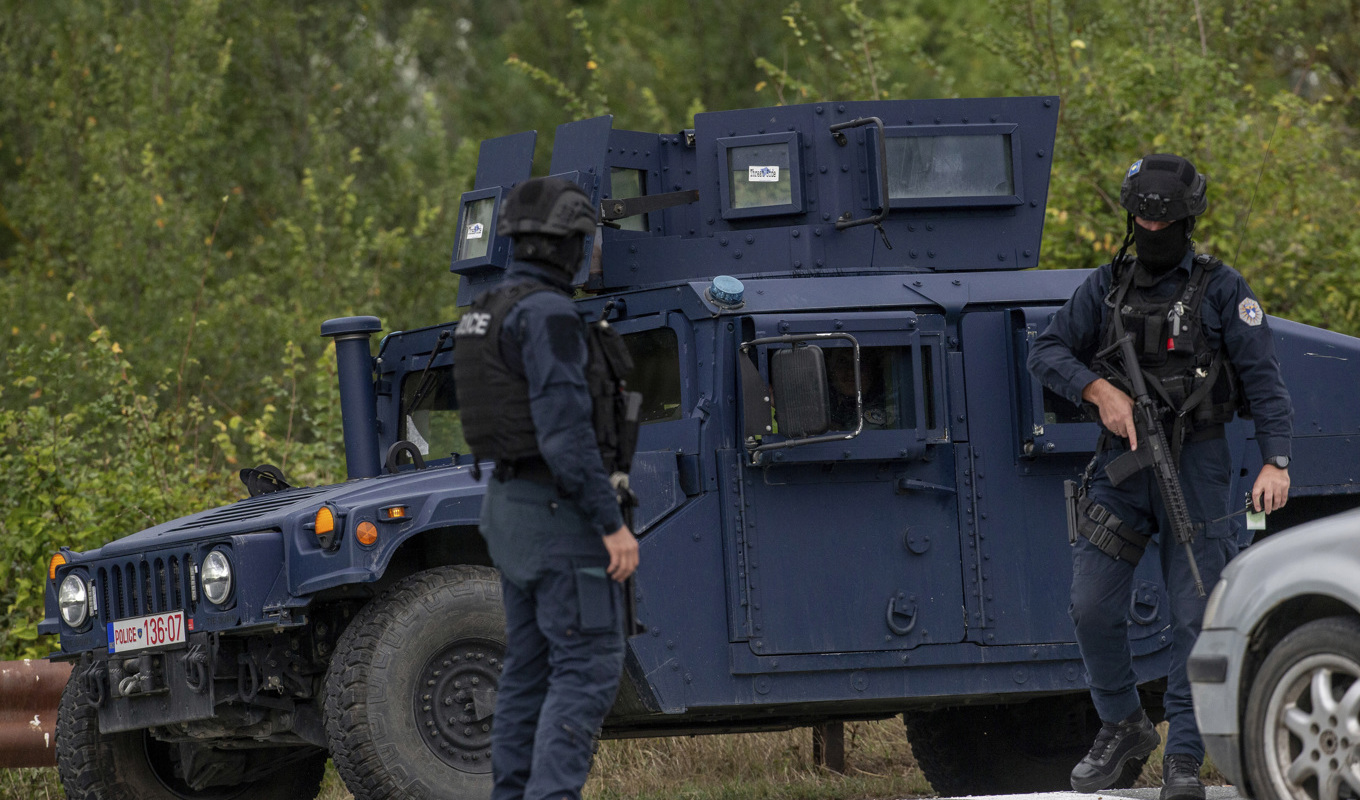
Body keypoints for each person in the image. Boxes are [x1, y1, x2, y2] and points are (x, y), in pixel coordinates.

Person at [1028, 154, 1292, 800]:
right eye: (1140, 216)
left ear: (1187, 220)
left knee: (1194, 611)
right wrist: (1099, 392)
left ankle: (1182, 755)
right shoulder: (1107, 286)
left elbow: (1265, 381)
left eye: (1161, 218)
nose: (1149, 227)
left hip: (1196, 466)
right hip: (1123, 466)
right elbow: (1045, 351)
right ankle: (1123, 725)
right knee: (1091, 606)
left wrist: (1274, 460)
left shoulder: (1223, 290)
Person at [453, 176, 640, 800]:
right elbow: (564, 435)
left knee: (529, 676)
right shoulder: (550, 315)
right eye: (584, 242)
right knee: (586, 669)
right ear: (565, 245)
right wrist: (611, 523)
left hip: (509, 515)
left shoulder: (484, 312)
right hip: (561, 519)